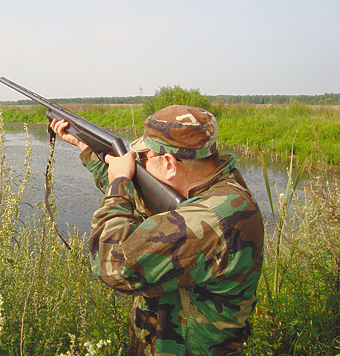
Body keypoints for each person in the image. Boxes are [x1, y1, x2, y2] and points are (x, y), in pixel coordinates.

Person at [50, 105, 264, 356]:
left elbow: (112, 263)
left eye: (143, 158)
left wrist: (119, 182)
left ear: (169, 164)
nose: (138, 163)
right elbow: (140, 203)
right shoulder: (212, 188)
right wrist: (85, 146)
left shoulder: (212, 217)